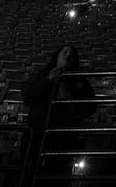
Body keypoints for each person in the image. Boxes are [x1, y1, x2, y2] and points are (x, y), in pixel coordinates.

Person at [22, 44, 93, 179]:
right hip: (37, 134)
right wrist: (48, 81)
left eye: (71, 53)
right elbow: (29, 98)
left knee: (58, 175)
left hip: (64, 137)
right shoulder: (41, 75)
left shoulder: (80, 81)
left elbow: (89, 107)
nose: (68, 55)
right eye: (65, 52)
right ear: (57, 56)